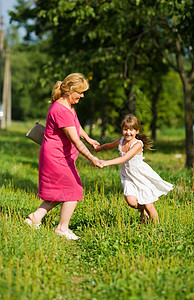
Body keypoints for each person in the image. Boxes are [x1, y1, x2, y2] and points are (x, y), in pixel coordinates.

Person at [25, 73, 103, 239]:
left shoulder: (68, 106)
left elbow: (76, 125)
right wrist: (92, 158)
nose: (82, 96)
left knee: (62, 191)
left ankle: (35, 218)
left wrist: (88, 138)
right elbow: (75, 140)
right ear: (70, 91)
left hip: (61, 156)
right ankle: (62, 229)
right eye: (80, 92)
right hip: (56, 157)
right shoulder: (61, 109)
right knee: (74, 190)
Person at [93, 114, 173, 224]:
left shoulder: (137, 144)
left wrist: (105, 163)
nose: (128, 133)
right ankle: (142, 210)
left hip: (140, 175)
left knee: (149, 205)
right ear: (122, 129)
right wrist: (100, 148)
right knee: (131, 201)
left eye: (131, 130)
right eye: (125, 129)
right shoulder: (121, 141)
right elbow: (110, 145)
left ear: (137, 131)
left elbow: (124, 158)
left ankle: (157, 227)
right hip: (127, 175)